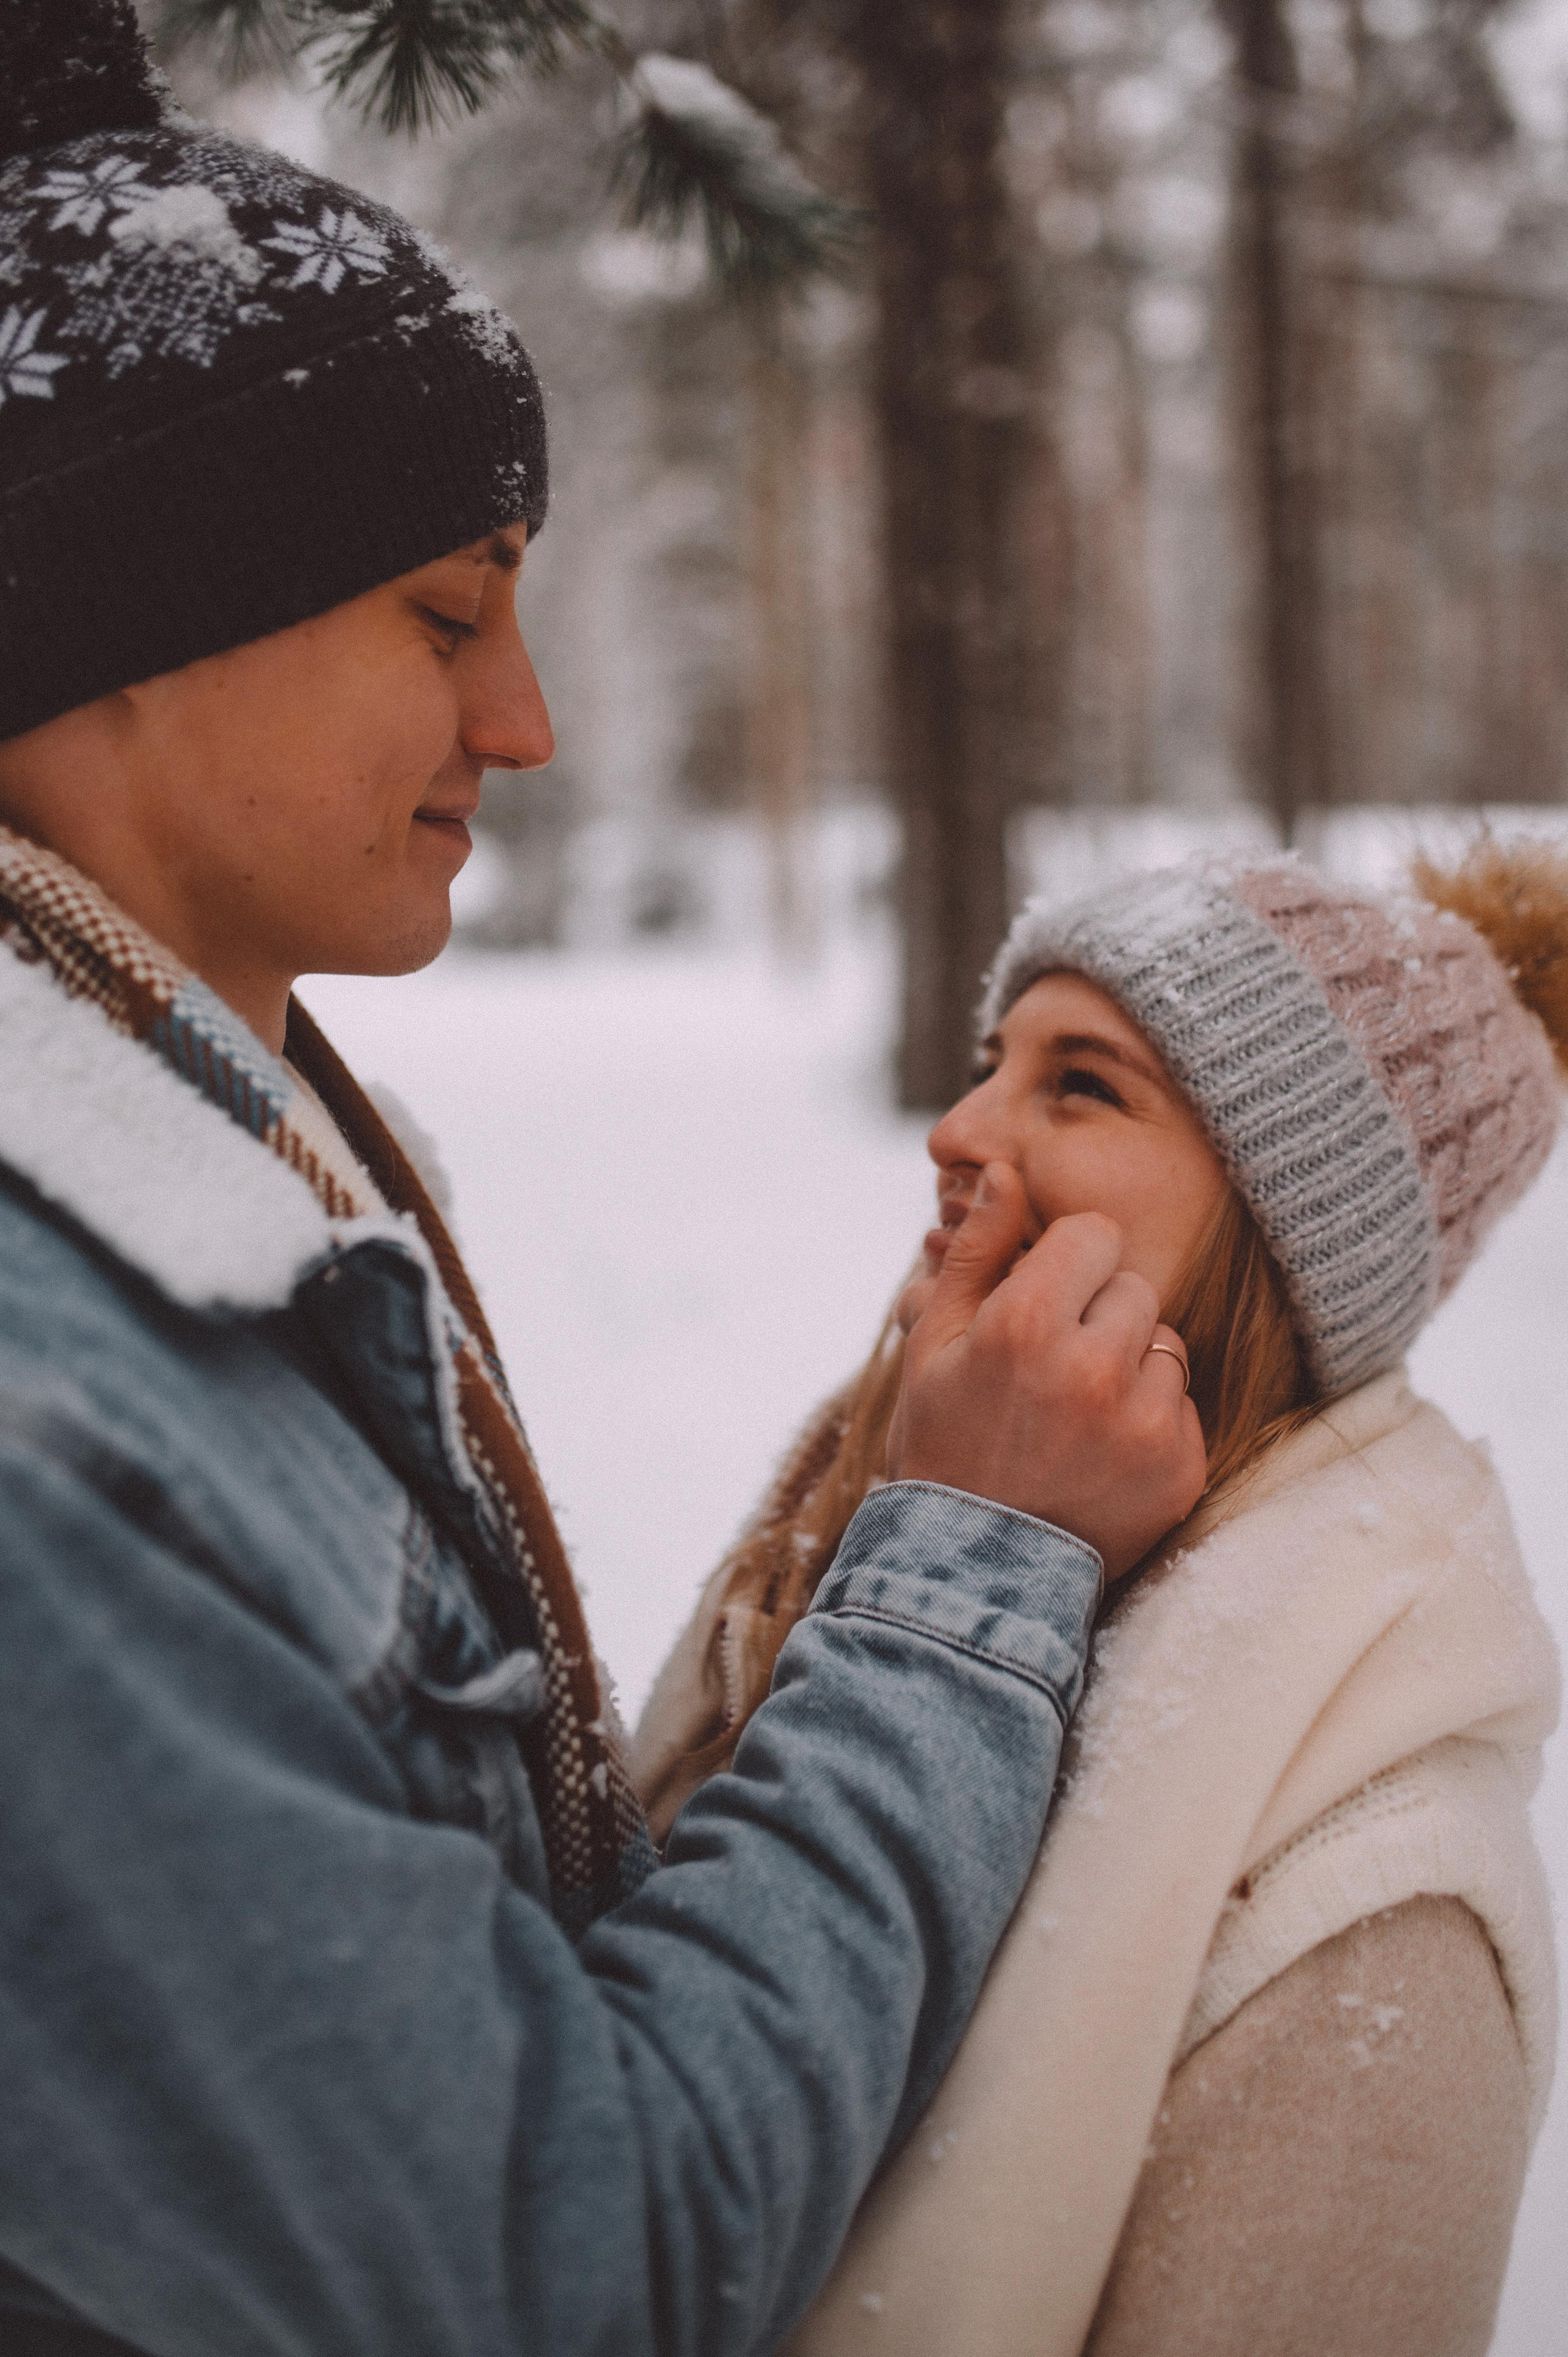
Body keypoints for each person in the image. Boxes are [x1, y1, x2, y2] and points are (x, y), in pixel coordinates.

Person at [0, 6, 1207, 2353]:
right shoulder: (45, 1443)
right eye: (445, 615)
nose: (526, 720)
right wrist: (979, 1569)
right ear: (107, 627)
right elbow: (573, 2265)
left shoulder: (213, 1168)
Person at [635, 843, 1566, 2357]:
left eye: (1081, 1084)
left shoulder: (1369, 1917)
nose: (954, 1128)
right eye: (989, 1061)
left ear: (1279, 1237)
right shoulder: (837, 1532)